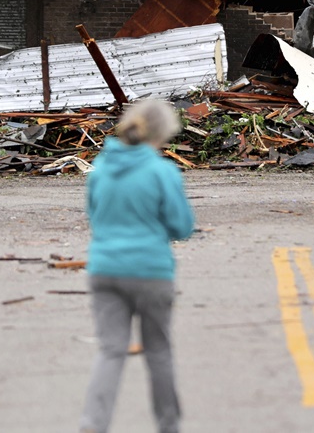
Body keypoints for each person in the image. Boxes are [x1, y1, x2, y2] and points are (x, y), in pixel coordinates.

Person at [80, 99, 195, 433]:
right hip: (150, 270)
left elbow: (94, 216)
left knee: (110, 351)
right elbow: (182, 226)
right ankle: (168, 425)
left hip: (104, 268)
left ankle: (93, 423)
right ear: (162, 135)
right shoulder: (162, 172)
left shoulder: (100, 169)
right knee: (158, 351)